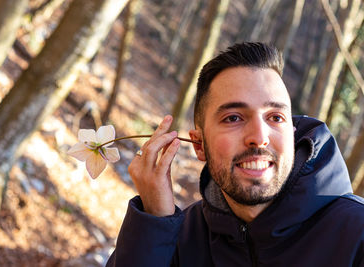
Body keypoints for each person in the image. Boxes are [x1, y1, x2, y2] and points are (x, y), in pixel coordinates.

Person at [106, 42, 364, 266]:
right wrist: (153, 222)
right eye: (233, 118)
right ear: (199, 145)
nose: (259, 136)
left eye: (275, 117)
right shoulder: (178, 240)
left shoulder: (356, 236)